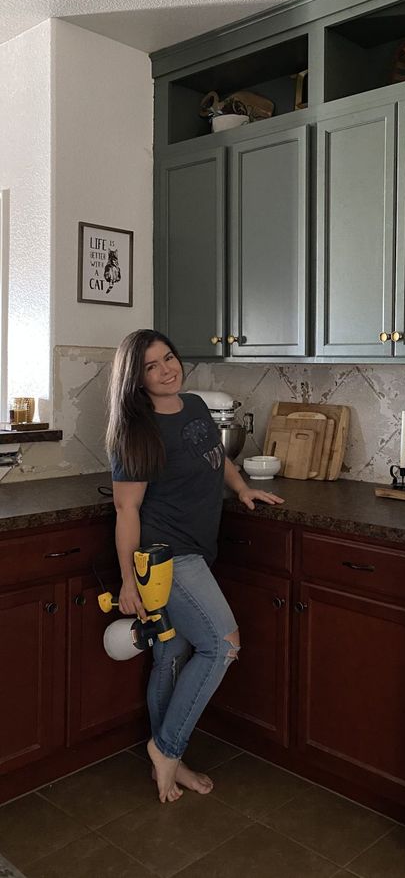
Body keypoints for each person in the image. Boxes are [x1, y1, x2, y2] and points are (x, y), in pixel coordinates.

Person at [106, 328, 283, 803]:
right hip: (165, 558)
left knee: (172, 654)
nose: (167, 369)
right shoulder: (135, 430)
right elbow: (126, 511)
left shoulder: (196, 406)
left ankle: (170, 759)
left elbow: (217, 458)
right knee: (223, 646)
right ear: (135, 379)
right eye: (152, 365)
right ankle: (166, 748)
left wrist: (242, 487)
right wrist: (128, 580)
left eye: (170, 357)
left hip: (197, 550)